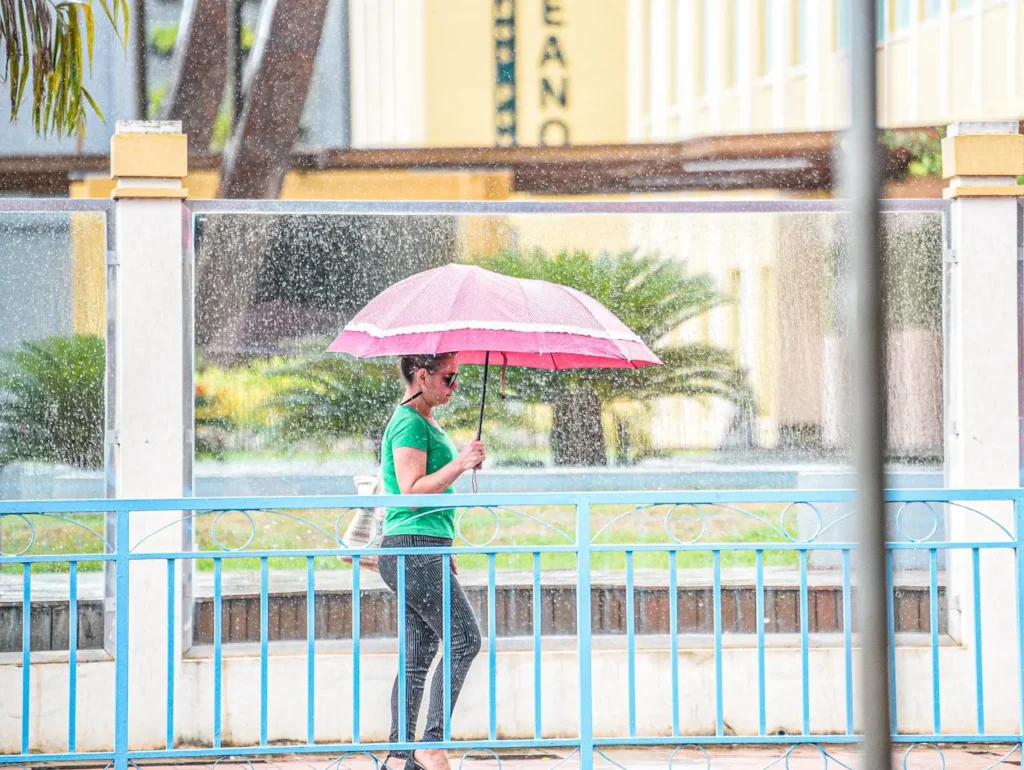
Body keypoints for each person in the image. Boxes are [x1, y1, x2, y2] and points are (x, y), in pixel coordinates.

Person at [377, 352, 485, 770]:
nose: (454, 386)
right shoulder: (409, 422)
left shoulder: (424, 420)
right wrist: (460, 463)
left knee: (418, 656)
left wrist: (444, 544)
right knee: (465, 639)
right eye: (448, 377)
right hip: (413, 546)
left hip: (423, 546)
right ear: (421, 376)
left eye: (457, 377)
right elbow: (410, 492)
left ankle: (399, 755)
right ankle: (431, 745)